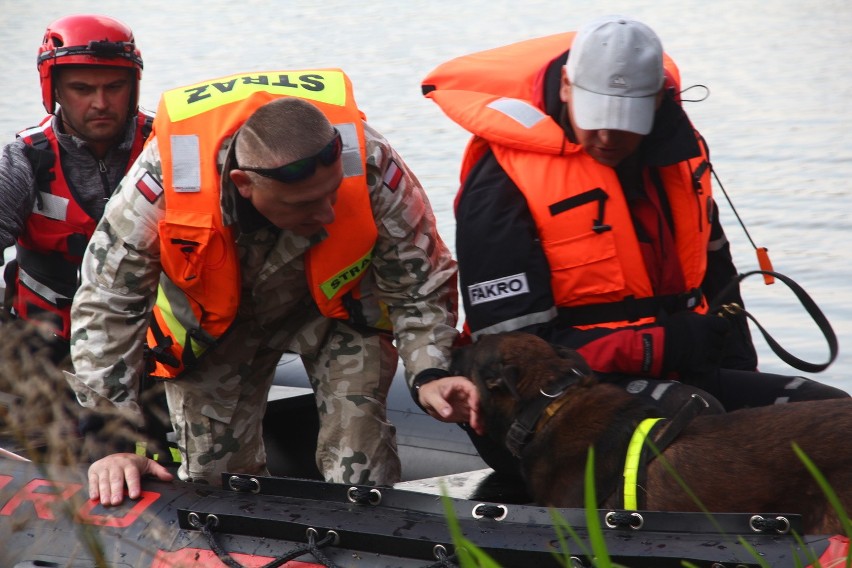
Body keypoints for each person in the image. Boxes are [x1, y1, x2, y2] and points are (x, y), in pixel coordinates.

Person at [416, 15, 848, 473]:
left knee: (829, 412)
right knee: (699, 418)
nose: (607, 136)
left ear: (658, 103)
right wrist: (660, 346)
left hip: (670, 365)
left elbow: (718, 280)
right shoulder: (502, 180)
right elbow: (513, 350)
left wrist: (741, 374)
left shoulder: (679, 157)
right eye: (597, 117)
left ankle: (823, 536)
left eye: (625, 122)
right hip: (542, 396)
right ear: (567, 86)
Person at [66, 69, 461, 505]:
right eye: (305, 204)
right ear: (244, 184)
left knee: (361, 461)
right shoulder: (162, 181)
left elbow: (421, 277)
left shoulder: (367, 160)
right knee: (213, 480)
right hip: (215, 324)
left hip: (336, 311)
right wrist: (109, 441)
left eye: (332, 194)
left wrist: (430, 370)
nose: (329, 214)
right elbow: (107, 303)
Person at [0, 14, 152, 362]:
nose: (100, 103)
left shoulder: (165, 148)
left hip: (149, 344)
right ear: (53, 89)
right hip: (48, 346)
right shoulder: (24, 159)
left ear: (133, 86)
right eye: (82, 89)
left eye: (114, 87)